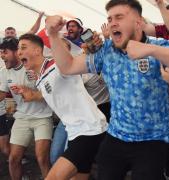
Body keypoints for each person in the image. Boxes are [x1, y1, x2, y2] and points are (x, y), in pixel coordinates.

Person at [45, 0, 169, 179]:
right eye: (110, 18)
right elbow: (68, 67)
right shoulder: (106, 51)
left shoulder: (160, 46)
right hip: (115, 137)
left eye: (119, 17)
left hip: (151, 140)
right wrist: (52, 35)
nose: (112, 22)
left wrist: (151, 50)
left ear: (138, 22)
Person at [17, 33, 107, 180]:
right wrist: (32, 95)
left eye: (23, 47)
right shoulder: (40, 77)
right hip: (74, 131)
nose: (19, 52)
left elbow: (79, 61)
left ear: (38, 51)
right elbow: (48, 93)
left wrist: (91, 48)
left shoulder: (58, 65)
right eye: (18, 48)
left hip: (90, 130)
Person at [0, 37, 53, 180]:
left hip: (43, 117)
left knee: (42, 158)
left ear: (16, 52)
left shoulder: (32, 66)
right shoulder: (4, 71)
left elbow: (50, 92)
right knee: (13, 159)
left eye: (4, 52)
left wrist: (31, 92)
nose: (1, 55)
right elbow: (1, 95)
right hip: (22, 117)